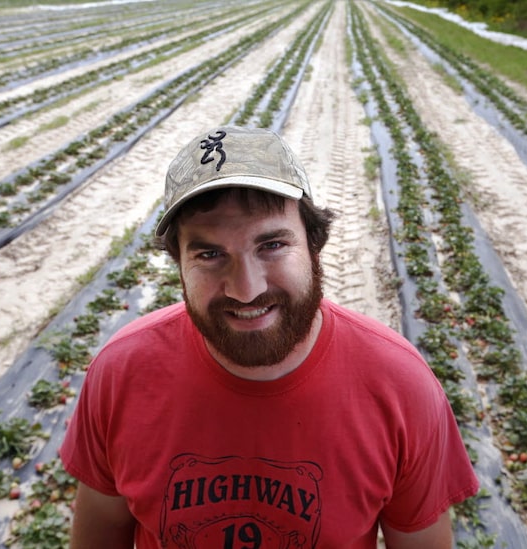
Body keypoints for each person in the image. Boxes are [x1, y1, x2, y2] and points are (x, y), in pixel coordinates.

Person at [60, 125, 479, 548]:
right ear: (179, 265)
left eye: (273, 245)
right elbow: (101, 530)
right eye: (209, 254)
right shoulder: (121, 373)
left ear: (314, 245)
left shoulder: (401, 387)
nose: (247, 289)